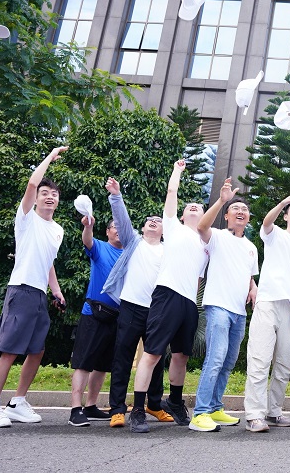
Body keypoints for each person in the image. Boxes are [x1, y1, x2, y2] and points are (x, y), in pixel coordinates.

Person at [0, 146, 68, 428]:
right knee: (10, 350)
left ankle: (17, 403)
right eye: (45, 193)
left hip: (39, 294)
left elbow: (49, 263)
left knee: (37, 350)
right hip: (20, 290)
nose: (50, 196)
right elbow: (31, 182)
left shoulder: (58, 230)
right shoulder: (26, 218)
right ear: (37, 198)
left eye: (54, 194)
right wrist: (50, 157)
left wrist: (56, 290)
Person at [129, 159, 207, 433]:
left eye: (199, 206)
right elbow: (172, 193)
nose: (194, 207)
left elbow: (200, 278)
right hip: (167, 295)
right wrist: (177, 170)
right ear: (182, 216)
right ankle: (138, 410)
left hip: (188, 303)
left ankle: (174, 402)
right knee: (152, 353)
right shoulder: (174, 228)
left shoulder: (206, 242)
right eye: (189, 206)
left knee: (182, 355)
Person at [100, 177, 172, 428]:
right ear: (142, 228)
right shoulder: (133, 242)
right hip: (131, 306)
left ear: (164, 229)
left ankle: (154, 404)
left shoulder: (169, 249)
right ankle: (117, 409)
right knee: (122, 356)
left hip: (158, 311)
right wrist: (116, 196)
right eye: (149, 220)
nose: (153, 221)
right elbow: (121, 220)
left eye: (158, 220)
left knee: (156, 359)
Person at [189, 178, 259, 432]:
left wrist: (253, 288)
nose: (241, 212)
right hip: (218, 306)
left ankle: (215, 408)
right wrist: (221, 200)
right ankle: (200, 414)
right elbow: (201, 226)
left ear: (248, 218)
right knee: (215, 359)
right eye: (235, 209)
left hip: (239, 312)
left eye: (244, 210)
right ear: (227, 216)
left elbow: (248, 275)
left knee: (228, 362)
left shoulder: (251, 247)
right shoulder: (217, 236)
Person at [243, 192, 290, 433]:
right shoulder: (274, 235)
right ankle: (254, 415)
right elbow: (266, 222)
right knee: (259, 360)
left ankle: (274, 412)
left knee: (284, 364)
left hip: (289, 310)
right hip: (267, 303)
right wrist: (284, 201)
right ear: (285, 216)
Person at [68, 208, 124, 427]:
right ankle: (75, 409)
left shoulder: (131, 254)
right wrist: (88, 226)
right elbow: (87, 240)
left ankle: (90, 405)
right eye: (114, 226)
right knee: (83, 363)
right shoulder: (100, 246)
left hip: (117, 316)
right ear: (107, 231)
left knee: (102, 365)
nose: (118, 230)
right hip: (93, 314)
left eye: (122, 227)